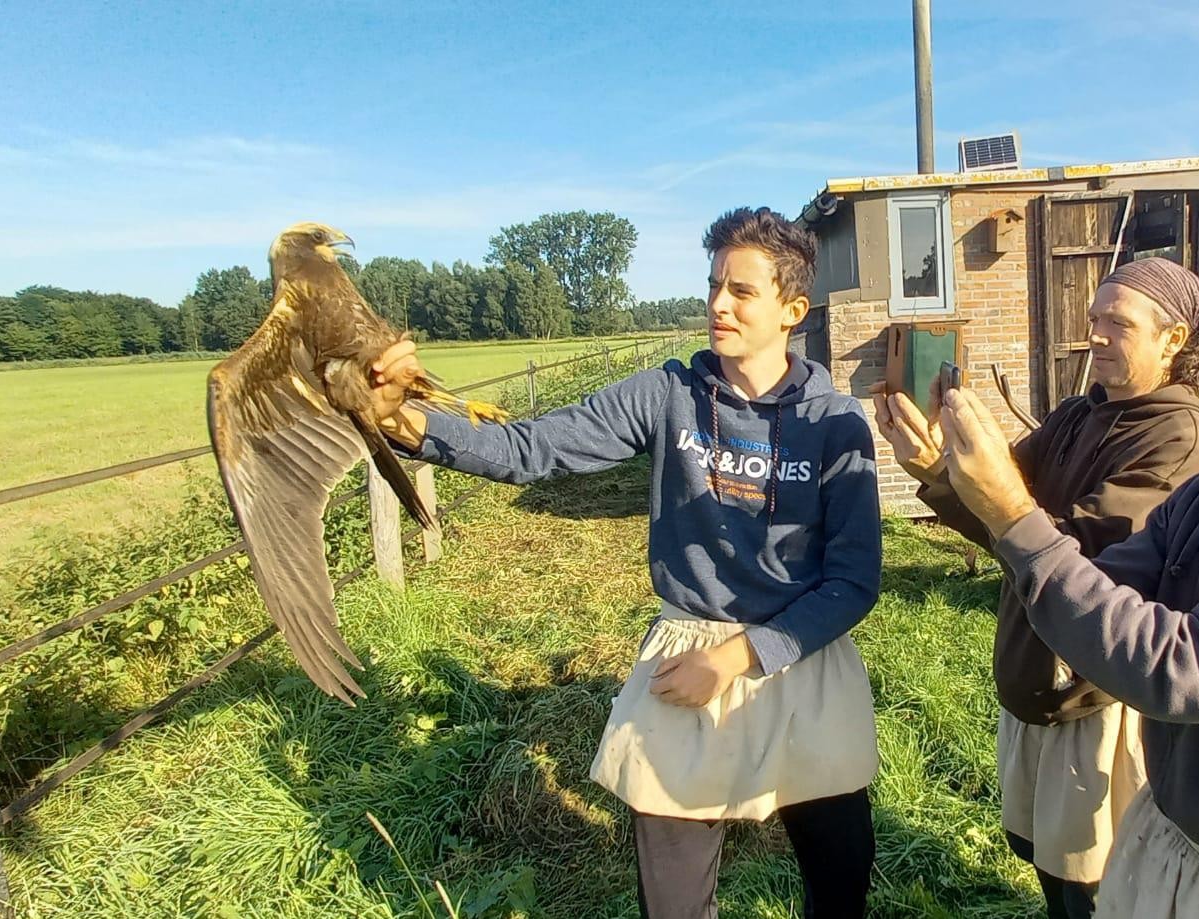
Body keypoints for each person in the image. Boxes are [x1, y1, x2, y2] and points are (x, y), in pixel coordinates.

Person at [370, 207, 882, 918]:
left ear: (792, 309)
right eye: (712, 285)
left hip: (800, 653)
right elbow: (530, 448)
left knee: (839, 885)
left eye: (740, 291)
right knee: (670, 897)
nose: (716, 305)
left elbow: (853, 581)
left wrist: (739, 657)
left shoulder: (834, 422)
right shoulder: (666, 395)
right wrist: (404, 421)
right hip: (687, 656)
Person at [872, 257, 1199, 918]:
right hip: (1034, 665)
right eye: (1093, 319)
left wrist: (995, 500)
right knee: (1043, 861)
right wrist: (936, 467)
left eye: (1118, 322)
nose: (1096, 335)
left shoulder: (1174, 435)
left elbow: (1086, 563)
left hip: (1090, 692)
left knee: (1089, 878)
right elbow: (1002, 516)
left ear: (1173, 339)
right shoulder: (1078, 414)